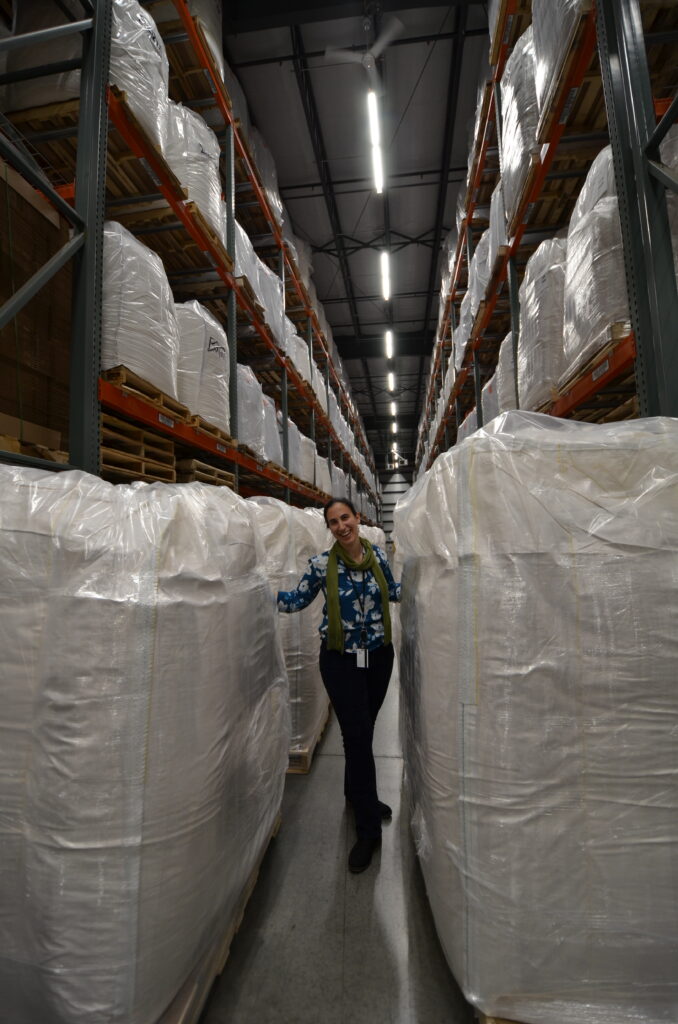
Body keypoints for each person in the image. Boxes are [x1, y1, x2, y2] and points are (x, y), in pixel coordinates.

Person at [277, 497, 401, 874]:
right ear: (329, 529)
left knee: (362, 733)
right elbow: (297, 600)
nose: (341, 526)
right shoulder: (320, 565)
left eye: (345, 517)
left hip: (378, 656)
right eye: (333, 522)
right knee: (358, 736)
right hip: (342, 660)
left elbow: (393, 592)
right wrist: (256, 596)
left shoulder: (378, 557)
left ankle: (356, 794)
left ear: (357, 518)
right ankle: (367, 831)